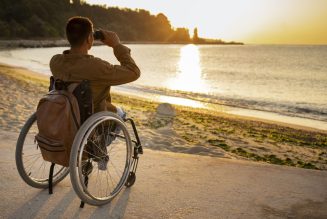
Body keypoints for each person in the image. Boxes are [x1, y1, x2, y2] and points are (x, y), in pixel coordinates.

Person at [50, 16, 140, 118]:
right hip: (90, 120)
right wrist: (116, 45)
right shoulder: (96, 67)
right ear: (89, 38)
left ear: (68, 37)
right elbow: (134, 72)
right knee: (121, 113)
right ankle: (110, 134)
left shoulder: (55, 62)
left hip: (64, 116)